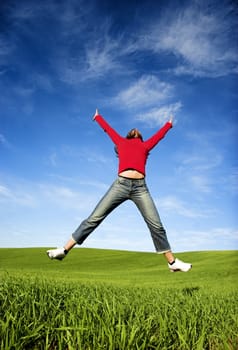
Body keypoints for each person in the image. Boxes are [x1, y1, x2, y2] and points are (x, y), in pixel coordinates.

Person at [47, 109, 192, 272]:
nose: (136, 129)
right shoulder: (121, 142)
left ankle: (172, 263)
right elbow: (108, 130)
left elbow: (159, 136)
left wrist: (169, 125)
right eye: (133, 131)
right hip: (121, 185)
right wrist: (98, 117)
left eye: (138, 131)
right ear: (129, 135)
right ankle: (64, 250)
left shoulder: (145, 146)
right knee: (95, 218)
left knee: (156, 225)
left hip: (140, 188)